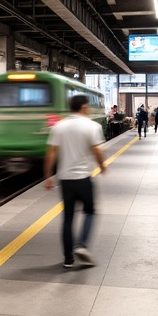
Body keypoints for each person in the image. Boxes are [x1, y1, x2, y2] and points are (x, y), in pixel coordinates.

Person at [43, 94, 107, 269]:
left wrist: (48, 176)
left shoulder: (59, 127)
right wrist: (102, 167)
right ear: (84, 107)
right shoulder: (92, 126)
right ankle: (82, 245)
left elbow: (51, 153)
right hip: (84, 178)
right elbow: (97, 151)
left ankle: (68, 259)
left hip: (65, 180)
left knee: (68, 217)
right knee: (90, 211)